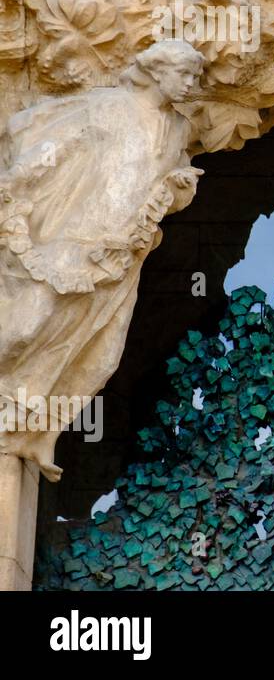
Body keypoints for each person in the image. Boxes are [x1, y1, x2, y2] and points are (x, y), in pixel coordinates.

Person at [0, 39, 204, 478]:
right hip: (72, 240)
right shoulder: (106, 106)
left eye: (195, 77)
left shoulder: (179, 130)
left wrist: (178, 192)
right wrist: (14, 184)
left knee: (101, 354)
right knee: (27, 325)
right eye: (185, 74)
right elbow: (55, 149)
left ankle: (34, 433)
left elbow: (163, 190)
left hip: (121, 257)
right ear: (158, 70)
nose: (192, 84)